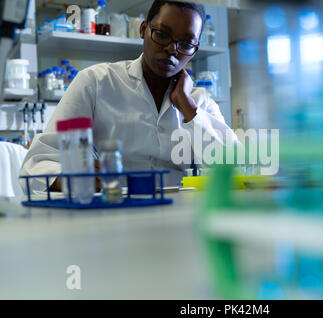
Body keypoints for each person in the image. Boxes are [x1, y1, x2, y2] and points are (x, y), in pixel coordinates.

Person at [20, 0, 238, 192]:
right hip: (115, 209)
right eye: (162, 34)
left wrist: (189, 110)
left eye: (186, 43)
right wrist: (69, 178)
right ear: (143, 29)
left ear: (195, 48)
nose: (172, 49)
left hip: (181, 212)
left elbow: (234, 166)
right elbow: (37, 162)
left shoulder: (199, 101)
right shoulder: (96, 82)